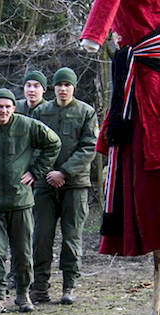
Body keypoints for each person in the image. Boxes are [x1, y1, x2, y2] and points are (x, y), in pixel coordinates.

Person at [81, 2, 160, 258]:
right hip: (144, 78)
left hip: (147, 75)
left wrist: (95, 35)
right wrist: (94, 33)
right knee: (145, 145)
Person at [0, 88, 61, 314]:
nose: (3, 110)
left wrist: (36, 171)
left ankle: (23, 294)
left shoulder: (27, 125)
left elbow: (53, 143)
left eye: (7, 106)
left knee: (23, 250)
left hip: (21, 200)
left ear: (14, 108)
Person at [30, 68, 98, 305]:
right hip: (45, 185)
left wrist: (65, 172)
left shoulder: (85, 112)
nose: (62, 89)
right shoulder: (41, 111)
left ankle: (69, 285)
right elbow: (34, 146)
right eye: (59, 85)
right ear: (53, 88)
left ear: (73, 87)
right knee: (41, 236)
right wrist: (47, 172)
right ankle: (39, 286)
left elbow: (89, 147)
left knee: (72, 236)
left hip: (75, 185)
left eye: (67, 85)